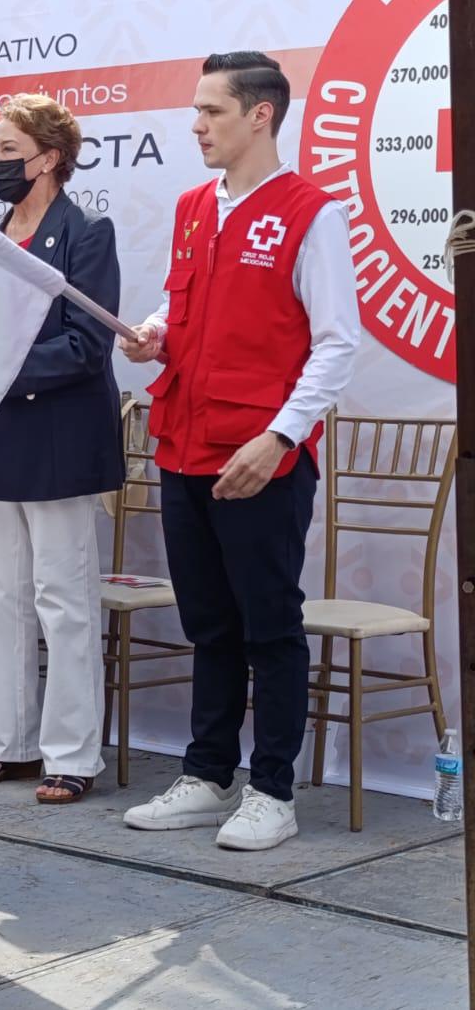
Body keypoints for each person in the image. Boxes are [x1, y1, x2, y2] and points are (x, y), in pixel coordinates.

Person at [121, 52, 358, 850]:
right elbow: (185, 297)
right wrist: (157, 329)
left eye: (211, 111)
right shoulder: (193, 207)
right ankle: (209, 773)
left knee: (269, 627)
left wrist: (280, 435)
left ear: (260, 115)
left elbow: (335, 345)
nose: (196, 125)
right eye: (196, 110)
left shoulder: (309, 213)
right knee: (209, 624)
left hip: (260, 458)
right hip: (184, 445)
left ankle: (275, 792)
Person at [0, 94, 122, 805]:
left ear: (49, 158)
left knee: (65, 600)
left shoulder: (86, 232)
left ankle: (74, 755)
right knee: (0, 596)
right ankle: (10, 743)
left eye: (9, 151)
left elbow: (86, 345)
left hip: (57, 441)